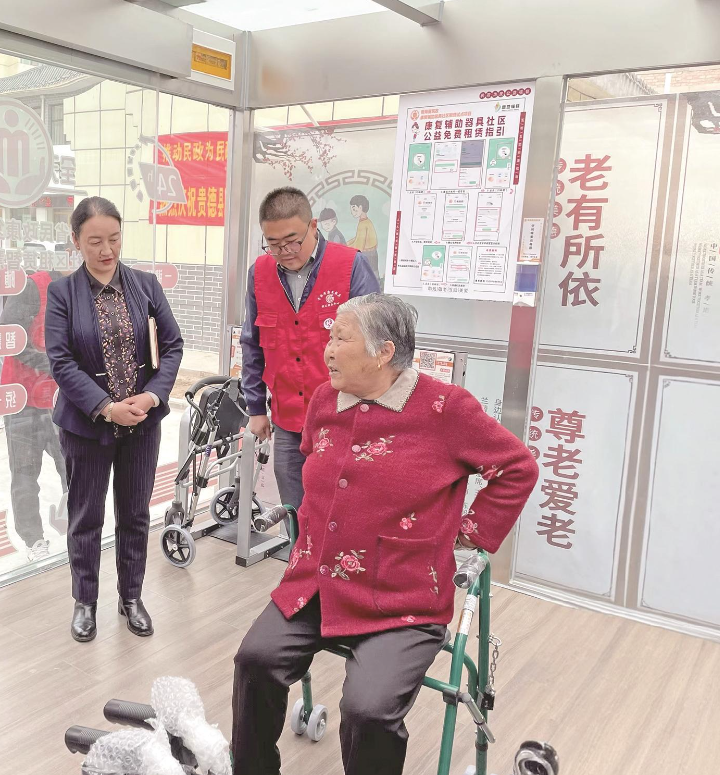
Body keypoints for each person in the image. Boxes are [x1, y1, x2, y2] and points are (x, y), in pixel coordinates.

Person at [232, 294, 539, 775]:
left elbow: (517, 468)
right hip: (317, 581)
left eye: (342, 339)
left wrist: (470, 531)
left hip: (401, 595)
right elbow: (315, 459)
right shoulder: (325, 399)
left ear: (383, 353)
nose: (328, 350)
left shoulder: (445, 408)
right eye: (330, 337)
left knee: (368, 711)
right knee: (254, 661)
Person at [45, 197, 183, 643]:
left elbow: (173, 345)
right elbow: (61, 362)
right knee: (86, 516)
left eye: (114, 238)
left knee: (135, 513)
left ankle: (131, 597)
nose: (107, 250)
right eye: (95, 242)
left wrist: (152, 395)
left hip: (142, 423)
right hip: (86, 426)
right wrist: (107, 406)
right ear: (76, 241)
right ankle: (85, 601)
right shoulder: (63, 293)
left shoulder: (145, 285)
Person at [241, 187, 379, 526]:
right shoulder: (259, 273)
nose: (284, 252)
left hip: (345, 419)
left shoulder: (351, 266)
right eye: (273, 244)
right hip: (288, 421)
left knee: (342, 518)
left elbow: (376, 344)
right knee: (295, 515)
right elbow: (252, 344)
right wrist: (256, 408)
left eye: (292, 241)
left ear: (313, 226)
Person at [0, 260, 69, 562]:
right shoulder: (32, 286)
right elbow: (9, 334)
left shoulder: (82, 291)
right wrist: (54, 365)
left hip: (61, 398)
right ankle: (34, 540)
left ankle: (76, 529)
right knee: (26, 474)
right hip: (24, 400)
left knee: (73, 468)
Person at [347, 194, 379, 276]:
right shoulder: (366, 221)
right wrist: (347, 244)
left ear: (360, 208)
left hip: (368, 255)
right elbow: (358, 238)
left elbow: (359, 246)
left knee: (368, 277)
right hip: (371, 254)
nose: (352, 213)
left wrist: (345, 247)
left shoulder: (363, 224)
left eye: (354, 209)